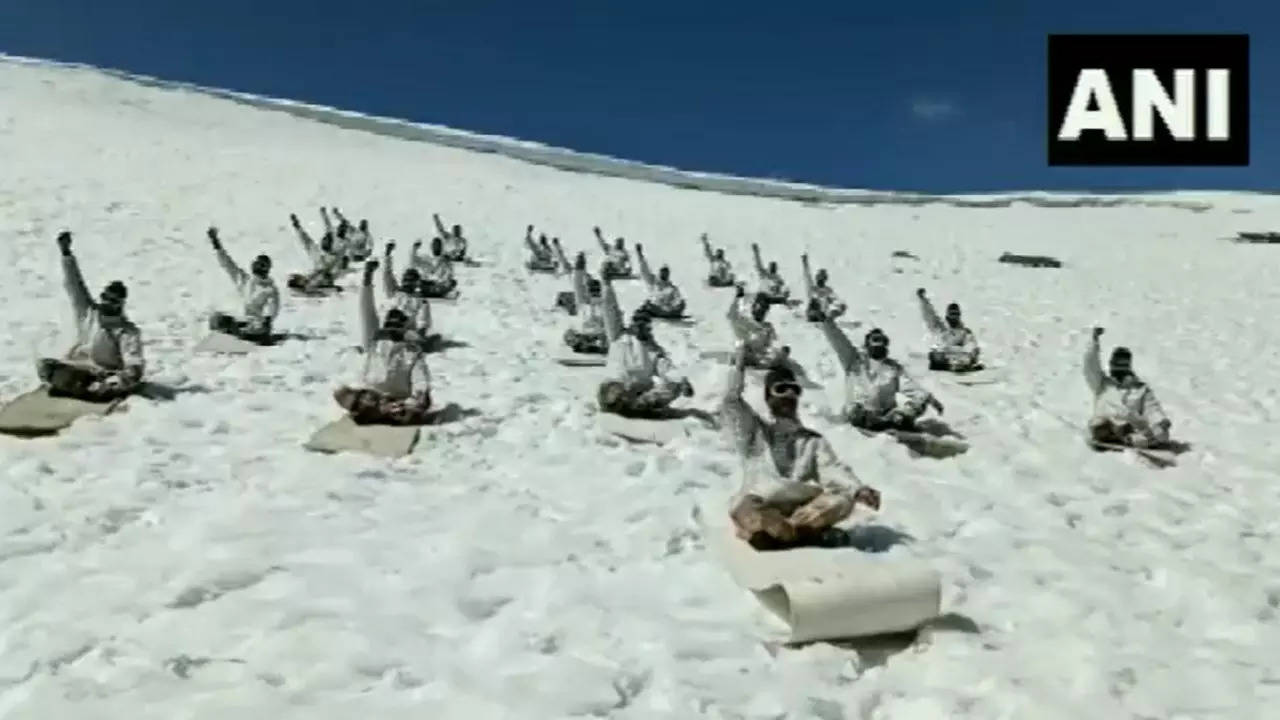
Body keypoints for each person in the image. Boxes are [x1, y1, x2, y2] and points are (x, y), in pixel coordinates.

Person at [720, 342, 882, 549]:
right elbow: (731, 402)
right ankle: (802, 534)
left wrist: (858, 489)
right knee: (748, 511)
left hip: (800, 508)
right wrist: (738, 367)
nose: (788, 395)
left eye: (794, 390)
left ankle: (786, 533)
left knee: (843, 500)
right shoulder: (754, 431)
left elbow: (832, 469)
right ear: (769, 397)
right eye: (781, 389)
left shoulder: (812, 440)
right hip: (761, 502)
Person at [36, 231, 145, 401]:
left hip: (103, 374)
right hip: (77, 368)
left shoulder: (127, 331)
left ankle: (89, 390)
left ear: (121, 304)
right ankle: (79, 388)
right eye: (105, 298)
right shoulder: (88, 312)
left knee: (113, 383)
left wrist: (127, 375)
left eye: (113, 301)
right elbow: (75, 284)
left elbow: (133, 362)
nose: (107, 303)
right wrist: (66, 254)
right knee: (45, 366)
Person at [333, 260, 435, 425]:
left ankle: (384, 413)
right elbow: (367, 310)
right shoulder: (373, 340)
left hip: (398, 400)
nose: (391, 327)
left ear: (403, 328)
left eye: (396, 325)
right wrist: (367, 279)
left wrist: (420, 393)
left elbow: (420, 379)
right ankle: (376, 411)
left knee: (417, 407)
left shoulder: (412, 352)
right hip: (371, 396)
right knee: (342, 393)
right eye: (389, 323)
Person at [819, 319, 942, 432]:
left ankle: (899, 421)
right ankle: (883, 422)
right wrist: (825, 321)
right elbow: (839, 341)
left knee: (917, 403)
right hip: (860, 416)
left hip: (886, 416)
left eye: (881, 340)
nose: (878, 344)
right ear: (868, 344)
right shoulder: (853, 361)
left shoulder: (892, 368)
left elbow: (909, 386)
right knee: (859, 411)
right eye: (875, 340)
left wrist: (928, 398)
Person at [596, 274, 693, 416]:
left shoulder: (653, 351)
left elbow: (668, 369)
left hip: (639, 393)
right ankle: (623, 404)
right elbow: (609, 310)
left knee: (674, 387)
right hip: (616, 386)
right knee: (613, 391)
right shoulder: (618, 336)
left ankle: (638, 405)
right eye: (638, 324)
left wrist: (682, 381)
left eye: (645, 326)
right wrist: (606, 285)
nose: (641, 328)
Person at [1084, 327, 1172, 448]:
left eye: (1120, 365)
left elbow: (1152, 408)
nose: (1115, 368)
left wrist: (1160, 422)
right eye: (1113, 364)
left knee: (1162, 433)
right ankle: (1115, 437)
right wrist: (1093, 343)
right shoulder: (1102, 383)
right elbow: (1090, 366)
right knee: (1100, 425)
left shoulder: (1140, 389)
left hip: (1131, 429)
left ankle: (1135, 440)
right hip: (1106, 425)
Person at [207, 227, 280, 343]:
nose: (258, 268)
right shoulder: (246, 280)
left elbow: (272, 310)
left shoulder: (270, 290)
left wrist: (266, 322)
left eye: (262, 266)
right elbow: (228, 264)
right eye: (257, 265)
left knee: (242, 329)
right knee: (216, 319)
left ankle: (240, 335)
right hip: (244, 323)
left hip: (258, 328)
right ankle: (233, 333)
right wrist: (216, 244)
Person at [380, 242, 434, 344]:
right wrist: (387, 255)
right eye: (405, 279)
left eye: (410, 280)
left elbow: (423, 322)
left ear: (416, 283)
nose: (407, 282)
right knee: (393, 313)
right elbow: (387, 274)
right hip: (390, 327)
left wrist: (420, 336)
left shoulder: (420, 301)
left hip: (407, 332)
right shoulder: (395, 292)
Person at [917, 288, 980, 371]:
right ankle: (953, 364)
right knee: (937, 351)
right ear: (948, 315)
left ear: (959, 315)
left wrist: (972, 353)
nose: (954, 317)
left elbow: (970, 344)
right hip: (942, 358)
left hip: (959, 357)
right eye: (952, 314)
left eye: (956, 314)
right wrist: (923, 299)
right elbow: (929, 314)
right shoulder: (940, 327)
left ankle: (961, 365)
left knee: (971, 349)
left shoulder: (964, 332)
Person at [727, 284, 788, 368]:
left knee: (778, 352)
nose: (761, 311)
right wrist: (738, 297)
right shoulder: (745, 321)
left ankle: (774, 365)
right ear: (753, 307)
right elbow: (732, 315)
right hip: (746, 354)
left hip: (760, 357)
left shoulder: (767, 327)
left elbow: (773, 343)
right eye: (758, 307)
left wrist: (779, 350)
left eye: (764, 308)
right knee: (742, 347)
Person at [563, 253, 611, 353]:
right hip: (584, 333)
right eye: (592, 291)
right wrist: (579, 268)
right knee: (570, 333)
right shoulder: (584, 301)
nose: (594, 293)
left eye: (595, 291)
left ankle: (596, 346)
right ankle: (589, 346)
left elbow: (578, 286)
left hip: (598, 334)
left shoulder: (603, 301)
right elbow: (578, 285)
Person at [287, 212, 343, 292]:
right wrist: (297, 226)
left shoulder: (335, 257)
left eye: (328, 242)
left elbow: (334, 271)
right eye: (325, 241)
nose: (325, 242)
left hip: (323, 280)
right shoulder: (317, 252)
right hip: (314, 278)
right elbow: (306, 240)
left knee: (322, 276)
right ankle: (305, 284)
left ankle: (312, 285)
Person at [635, 243, 687, 318]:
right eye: (663, 271)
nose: (664, 273)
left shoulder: (672, 288)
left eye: (666, 271)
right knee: (648, 304)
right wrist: (639, 254)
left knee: (678, 304)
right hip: (655, 308)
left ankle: (667, 313)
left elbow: (678, 300)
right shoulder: (653, 282)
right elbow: (644, 269)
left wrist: (677, 306)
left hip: (666, 310)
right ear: (660, 272)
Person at [802, 254, 846, 321]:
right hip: (813, 314)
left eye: (822, 279)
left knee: (830, 307)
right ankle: (821, 318)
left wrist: (841, 307)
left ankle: (828, 322)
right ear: (817, 278)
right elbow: (807, 276)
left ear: (825, 279)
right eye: (819, 278)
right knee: (815, 301)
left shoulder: (828, 290)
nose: (821, 280)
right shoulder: (812, 288)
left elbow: (835, 300)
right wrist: (805, 263)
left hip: (823, 315)